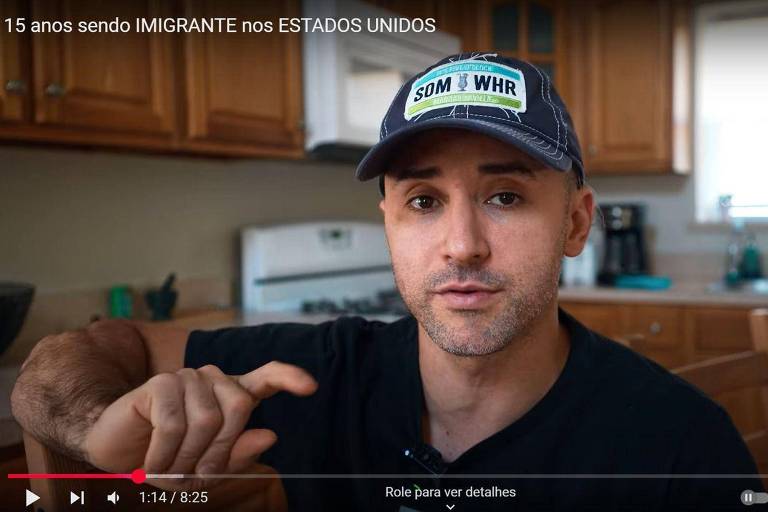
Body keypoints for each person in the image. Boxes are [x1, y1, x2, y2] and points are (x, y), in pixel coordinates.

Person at [11, 53, 762, 511]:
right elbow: (66, 362)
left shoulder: (679, 446)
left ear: (574, 223)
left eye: (505, 197)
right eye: (424, 202)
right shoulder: (310, 379)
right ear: (389, 224)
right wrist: (94, 429)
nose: (462, 247)